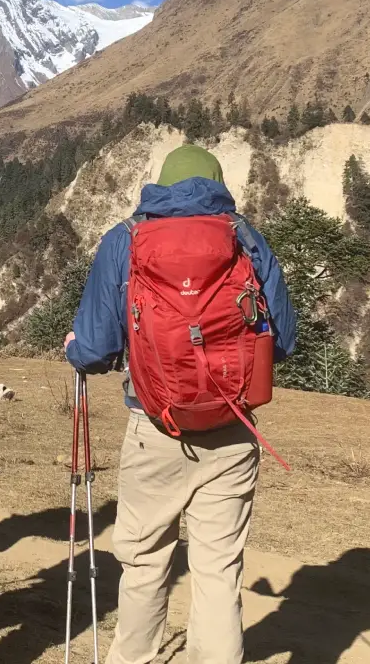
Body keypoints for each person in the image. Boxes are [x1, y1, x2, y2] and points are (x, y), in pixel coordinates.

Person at [64, 144, 297, 664]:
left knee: (145, 562)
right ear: (217, 182)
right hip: (234, 430)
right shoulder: (245, 240)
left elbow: (97, 349)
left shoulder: (125, 241)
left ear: (160, 185)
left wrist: (74, 349)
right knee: (218, 570)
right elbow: (281, 339)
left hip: (154, 428)